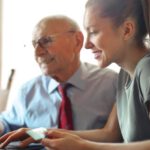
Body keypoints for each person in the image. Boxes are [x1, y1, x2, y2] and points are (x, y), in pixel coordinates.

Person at [38, 0, 150, 149]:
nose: (86, 45)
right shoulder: (124, 74)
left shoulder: (146, 69)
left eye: (94, 32)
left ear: (127, 30)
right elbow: (111, 133)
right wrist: (44, 133)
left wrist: (84, 146)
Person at [0, 15, 118, 148]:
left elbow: (116, 136)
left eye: (46, 41)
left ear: (77, 41)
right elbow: (8, 123)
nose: (37, 52)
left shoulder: (112, 84)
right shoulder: (27, 91)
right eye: (34, 45)